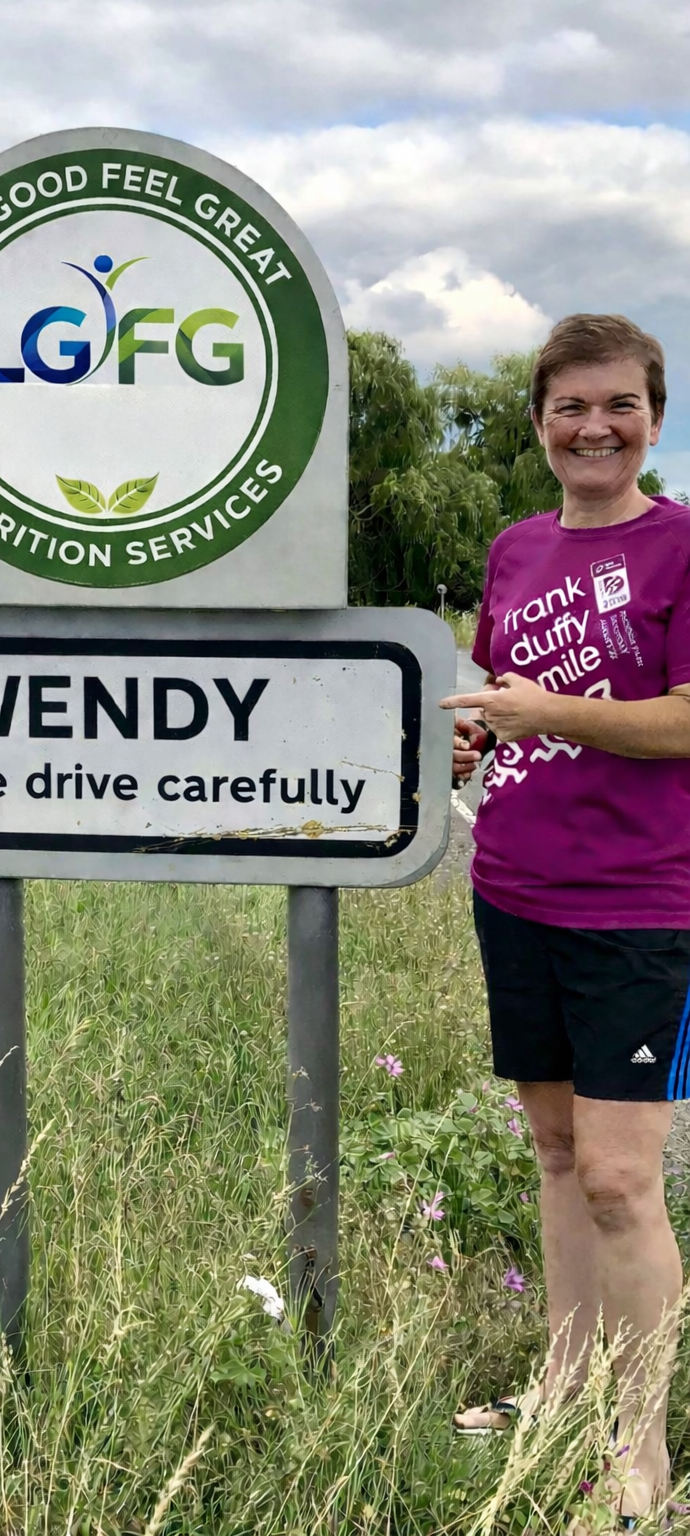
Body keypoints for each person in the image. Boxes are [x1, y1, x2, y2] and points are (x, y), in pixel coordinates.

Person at [439, 313, 690, 1532]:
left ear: (654, 416)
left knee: (617, 1179)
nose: (594, 428)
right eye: (569, 407)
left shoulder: (683, 546)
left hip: (643, 904)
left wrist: (553, 710)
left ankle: (636, 1448)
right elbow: (503, 700)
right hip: (513, 885)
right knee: (551, 1154)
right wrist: (477, 731)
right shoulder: (512, 548)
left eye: (618, 406)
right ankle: (558, 1392)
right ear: (538, 420)